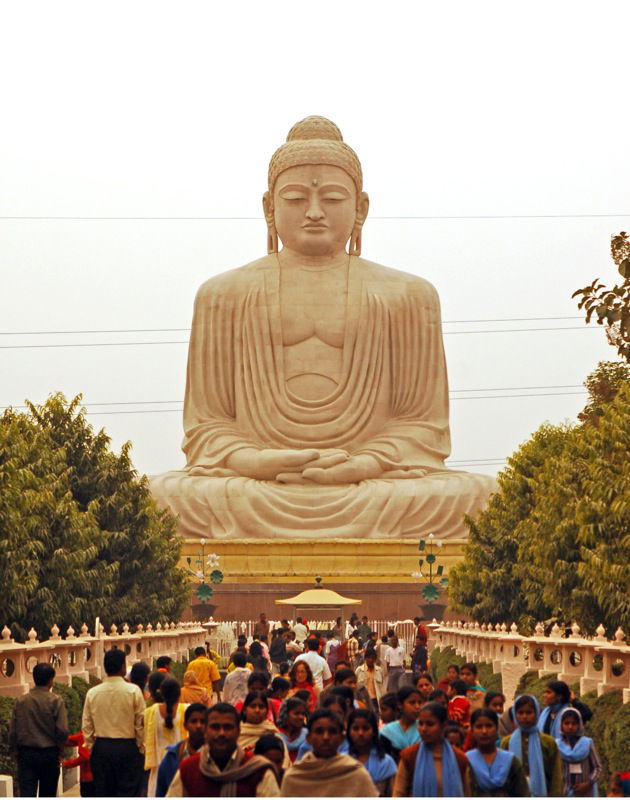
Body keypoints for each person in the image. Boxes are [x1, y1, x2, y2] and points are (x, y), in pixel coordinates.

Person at [148, 115, 496, 541]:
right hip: (255, 485)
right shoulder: (223, 294)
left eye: (332, 198)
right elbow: (208, 425)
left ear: (361, 208)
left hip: (373, 484)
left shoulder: (409, 295)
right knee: (158, 499)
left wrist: (363, 464)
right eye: (295, 198)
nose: (314, 212)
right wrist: (255, 461)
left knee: (483, 498)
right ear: (269, 207)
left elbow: (422, 426)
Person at [165, 702, 279, 796]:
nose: (221, 733)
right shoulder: (188, 769)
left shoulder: (258, 771)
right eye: (215, 727)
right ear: (205, 730)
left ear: (239, 731)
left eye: (228, 727)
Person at [82, 648, 145, 797]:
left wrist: (92, 747)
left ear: (105, 667)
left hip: (102, 748)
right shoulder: (134, 691)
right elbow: (140, 723)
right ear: (123, 667)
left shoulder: (93, 693)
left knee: (103, 792)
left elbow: (87, 725)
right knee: (129, 792)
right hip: (128, 748)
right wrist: (140, 747)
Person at [280, 708, 378, 797]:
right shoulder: (293, 778)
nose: (325, 737)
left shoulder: (356, 774)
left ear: (341, 738)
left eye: (332, 731)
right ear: (308, 738)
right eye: (319, 732)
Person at [8, 662, 69, 798]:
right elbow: (63, 730)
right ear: (50, 680)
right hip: (49, 754)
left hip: (26, 754)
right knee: (48, 793)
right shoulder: (56, 701)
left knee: (27, 793)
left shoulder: (21, 701)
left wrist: (15, 751)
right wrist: (60, 750)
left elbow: (13, 731)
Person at [393, 701, 469, 796]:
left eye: (430, 724)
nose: (424, 729)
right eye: (420, 723)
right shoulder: (410, 756)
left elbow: (466, 793)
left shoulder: (459, 758)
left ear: (443, 726)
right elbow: (398, 792)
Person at [500, 694, 563, 797]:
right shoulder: (507, 742)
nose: (524, 716)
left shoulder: (548, 743)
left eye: (529, 712)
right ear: (515, 715)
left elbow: (556, 776)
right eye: (520, 713)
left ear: (537, 713)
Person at [466, 707, 529, 796]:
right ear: (472, 730)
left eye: (489, 726)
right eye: (479, 727)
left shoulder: (511, 761)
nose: (484, 731)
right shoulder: (466, 761)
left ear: (497, 728)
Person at [144, 676, 188, 796]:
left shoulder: (150, 712)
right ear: (179, 694)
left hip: (158, 765)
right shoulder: (186, 710)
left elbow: (144, 736)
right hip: (180, 764)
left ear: (161, 694)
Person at [155, 703, 207, 797]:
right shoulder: (172, 756)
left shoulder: (215, 755)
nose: (198, 726)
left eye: (202, 722)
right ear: (185, 725)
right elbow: (161, 791)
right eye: (194, 721)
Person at [347, 708, 397, 796]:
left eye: (365, 728)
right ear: (349, 732)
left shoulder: (385, 762)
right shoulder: (343, 761)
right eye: (355, 728)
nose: (360, 733)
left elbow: (394, 793)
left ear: (374, 731)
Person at [237, 691, 290, 768]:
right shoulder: (236, 733)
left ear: (267, 711)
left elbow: (284, 762)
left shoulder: (272, 732)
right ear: (245, 710)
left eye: (261, 707)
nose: (257, 710)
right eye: (253, 706)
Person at [556, 707, 601, 797]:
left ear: (579, 725)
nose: (570, 727)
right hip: (563, 793)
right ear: (561, 725)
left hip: (585, 793)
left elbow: (597, 768)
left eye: (574, 723)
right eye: (567, 723)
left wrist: (588, 783)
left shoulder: (587, 743)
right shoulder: (556, 745)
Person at [379, 686, 422, 760]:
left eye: (419, 703)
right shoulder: (387, 732)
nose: (417, 706)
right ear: (400, 705)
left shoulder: (423, 728)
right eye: (412, 703)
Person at [62, 731, 94, 797]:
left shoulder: (84, 735)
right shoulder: (100, 734)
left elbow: (85, 757)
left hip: (88, 778)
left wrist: (67, 763)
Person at [276, 697, 309, 763]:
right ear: (286, 714)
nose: (301, 717)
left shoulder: (308, 735)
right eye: (296, 713)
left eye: (303, 714)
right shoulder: (276, 735)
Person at [356, 649, 386, 715]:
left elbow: (382, 687)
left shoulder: (379, 671)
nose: (371, 660)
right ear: (365, 658)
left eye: (373, 658)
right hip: (363, 700)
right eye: (369, 658)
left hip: (376, 700)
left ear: (375, 659)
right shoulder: (359, 670)